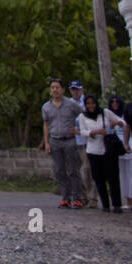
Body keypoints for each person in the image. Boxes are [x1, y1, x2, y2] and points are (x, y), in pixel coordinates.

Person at [77, 93, 126, 213]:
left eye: (92, 103)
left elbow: (121, 121)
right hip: (93, 150)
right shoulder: (82, 116)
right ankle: (105, 204)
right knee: (99, 179)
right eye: (88, 104)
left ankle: (117, 204)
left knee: (113, 178)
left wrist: (116, 124)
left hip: (108, 149)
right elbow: (82, 131)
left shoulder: (105, 113)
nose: (91, 106)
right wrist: (94, 132)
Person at [42, 79, 85, 209]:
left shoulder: (71, 105)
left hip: (69, 139)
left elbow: (83, 116)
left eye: (57, 87)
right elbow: (46, 124)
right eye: (52, 88)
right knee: (60, 171)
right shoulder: (46, 107)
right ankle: (65, 198)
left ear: (62, 90)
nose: (55, 90)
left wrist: (79, 130)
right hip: (55, 140)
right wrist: (46, 142)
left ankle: (77, 198)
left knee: (73, 170)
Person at [106, 94, 132, 210]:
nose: (115, 104)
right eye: (112, 102)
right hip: (115, 146)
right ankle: (128, 200)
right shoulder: (108, 116)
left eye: (117, 102)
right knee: (122, 175)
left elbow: (128, 127)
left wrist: (127, 143)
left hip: (129, 145)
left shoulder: (125, 113)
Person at [69, 79, 95, 199]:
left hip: (86, 141)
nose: (75, 92)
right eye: (73, 90)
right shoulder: (68, 103)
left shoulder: (88, 102)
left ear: (82, 90)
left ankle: (92, 195)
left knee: (87, 170)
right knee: (75, 171)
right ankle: (82, 195)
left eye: (77, 89)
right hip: (73, 141)